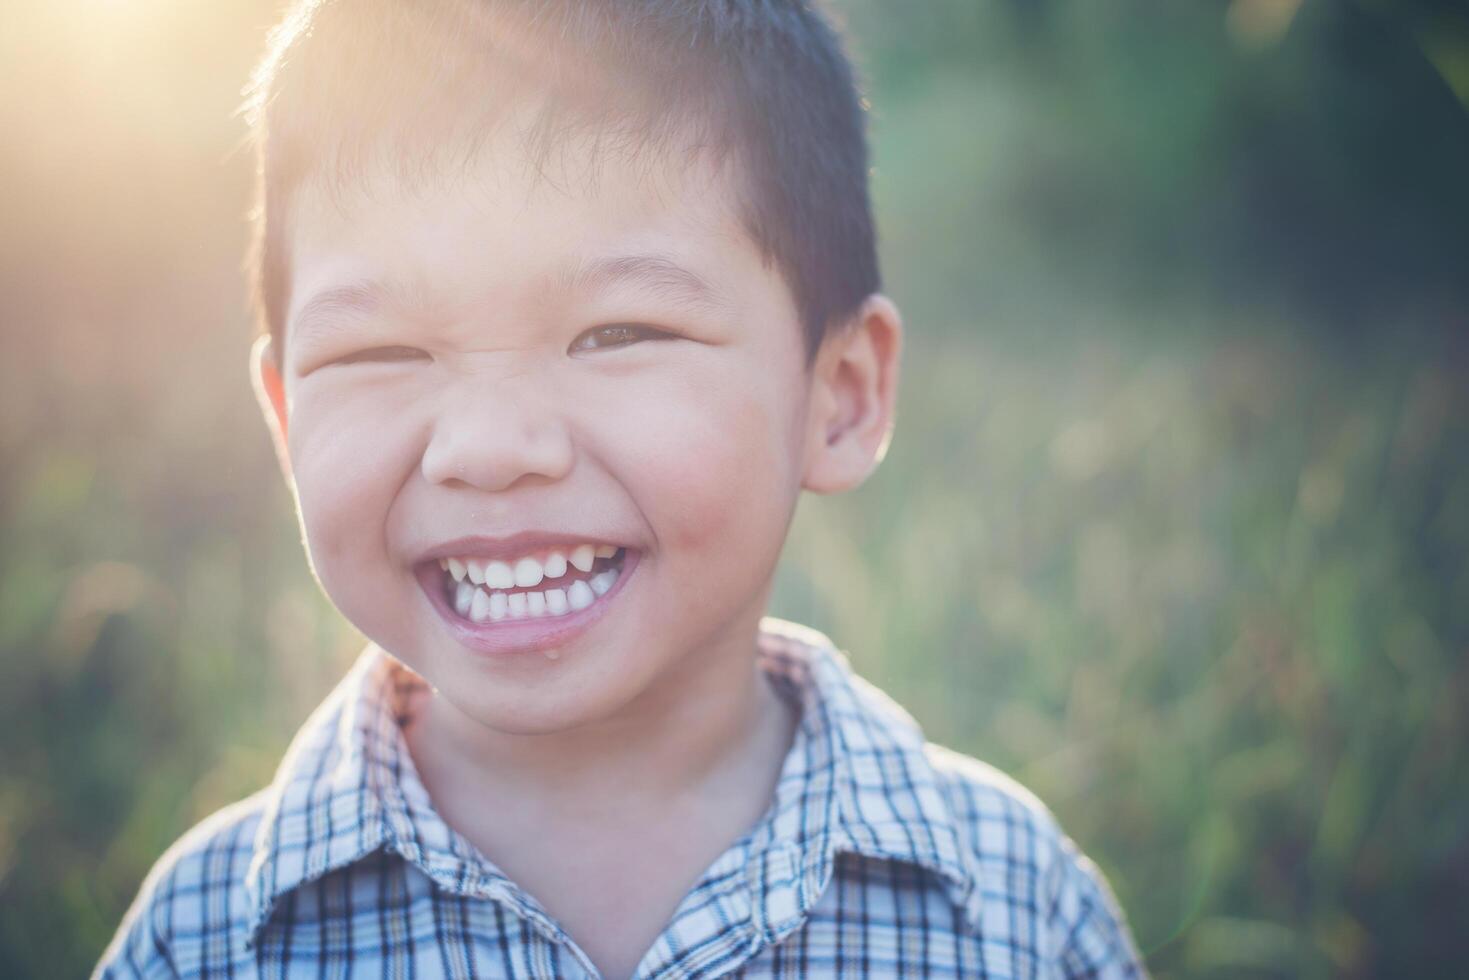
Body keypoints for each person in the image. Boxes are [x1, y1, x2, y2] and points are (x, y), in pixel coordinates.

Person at [95, 1, 1146, 976]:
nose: (490, 446)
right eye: (380, 350)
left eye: (616, 333)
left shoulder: (1011, 907)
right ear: (285, 419)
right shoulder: (204, 938)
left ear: (839, 395)